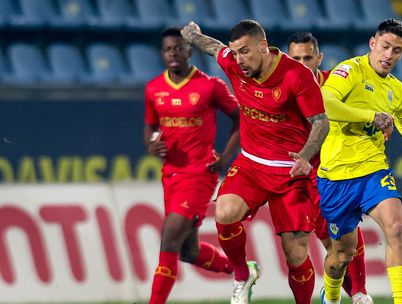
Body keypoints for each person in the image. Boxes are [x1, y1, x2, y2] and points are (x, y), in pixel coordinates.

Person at [181, 20, 329, 304]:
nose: (239, 59)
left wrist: (306, 157)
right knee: (224, 213)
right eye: (236, 53)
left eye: (245, 51)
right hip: (252, 165)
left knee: (296, 253)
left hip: (291, 173)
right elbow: (216, 49)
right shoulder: (235, 65)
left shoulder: (297, 76)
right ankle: (242, 275)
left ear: (263, 46)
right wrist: (194, 36)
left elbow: (320, 123)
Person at [317, 19, 402, 304]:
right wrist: (370, 117)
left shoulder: (396, 89)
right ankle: (330, 297)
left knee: (396, 228)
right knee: (342, 256)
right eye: (386, 46)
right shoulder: (350, 70)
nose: (389, 55)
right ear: (372, 43)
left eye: (397, 50)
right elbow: (325, 101)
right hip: (336, 176)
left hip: (373, 170)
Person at [144, 27, 240, 304]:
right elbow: (151, 126)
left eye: (177, 48)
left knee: (170, 236)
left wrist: (225, 157)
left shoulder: (210, 85)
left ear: (189, 50)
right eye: (166, 49)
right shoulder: (154, 88)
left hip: (200, 173)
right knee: (188, 250)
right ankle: (242, 271)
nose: (172, 53)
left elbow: (239, 118)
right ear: (161, 54)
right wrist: (152, 143)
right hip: (171, 174)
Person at [287, 32, 373, 304]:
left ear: (319, 58)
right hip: (304, 178)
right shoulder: (283, 91)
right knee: (325, 247)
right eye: (296, 58)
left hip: (336, 173)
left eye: (308, 58)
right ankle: (335, 294)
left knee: (346, 238)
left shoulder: (337, 86)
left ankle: (359, 293)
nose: (302, 64)